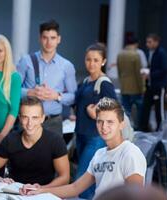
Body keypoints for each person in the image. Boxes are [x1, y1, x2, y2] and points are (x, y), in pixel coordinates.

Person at [21, 97, 147, 199]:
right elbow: (75, 188)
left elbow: (135, 196)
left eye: (110, 122)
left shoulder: (130, 153)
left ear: (121, 124)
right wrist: (40, 191)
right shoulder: (100, 154)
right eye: (100, 121)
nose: (104, 127)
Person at [0, 96, 69, 187]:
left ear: (42, 118)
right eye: (25, 117)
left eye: (35, 117)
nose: (30, 123)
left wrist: (40, 189)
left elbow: (65, 177)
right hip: (16, 192)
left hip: (45, 193)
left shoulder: (55, 141)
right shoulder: (10, 140)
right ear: (19, 118)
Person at [17, 19, 77, 135]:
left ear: (59, 39)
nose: (49, 42)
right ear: (40, 38)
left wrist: (56, 96)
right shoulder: (25, 61)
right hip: (27, 122)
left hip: (53, 122)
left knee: (54, 154)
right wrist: (30, 92)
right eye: (45, 37)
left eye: (53, 38)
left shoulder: (66, 66)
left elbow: (73, 97)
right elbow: (12, 91)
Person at [74, 43, 117, 199]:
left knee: (82, 179)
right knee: (89, 180)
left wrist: (96, 113)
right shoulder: (85, 81)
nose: (91, 64)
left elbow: (115, 108)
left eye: (96, 60)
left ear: (103, 61)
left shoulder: (104, 83)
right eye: (88, 59)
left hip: (95, 137)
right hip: (80, 134)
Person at [140, 33, 167, 132]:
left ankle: (160, 129)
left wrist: (150, 74)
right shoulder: (149, 53)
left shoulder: (161, 53)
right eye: (147, 42)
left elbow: (164, 69)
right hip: (149, 85)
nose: (147, 44)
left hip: (159, 86)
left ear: (156, 42)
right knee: (145, 107)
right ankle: (144, 127)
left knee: (159, 109)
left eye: (150, 42)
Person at [117, 37, 144, 129]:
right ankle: (139, 127)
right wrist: (142, 87)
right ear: (135, 44)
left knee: (126, 109)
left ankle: (126, 128)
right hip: (135, 87)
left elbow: (119, 71)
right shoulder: (135, 55)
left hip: (124, 87)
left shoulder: (120, 54)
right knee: (140, 109)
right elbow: (138, 74)